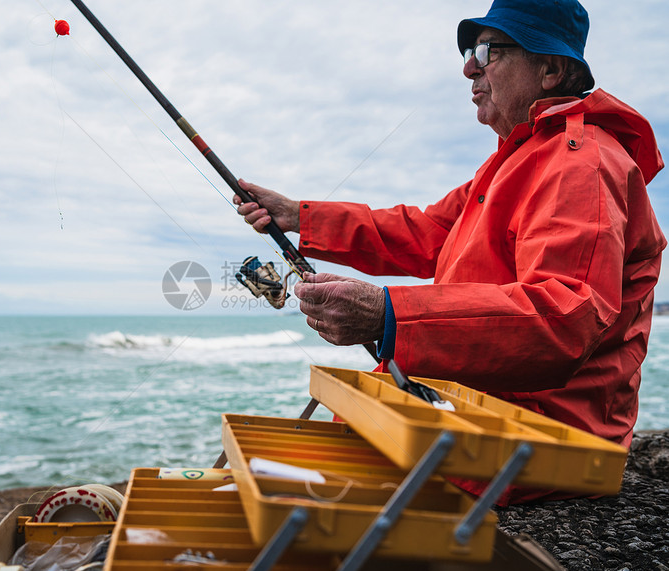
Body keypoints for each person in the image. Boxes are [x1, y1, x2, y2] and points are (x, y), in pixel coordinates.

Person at [234, 0, 665, 504]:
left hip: (543, 433)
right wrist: (300, 217)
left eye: (489, 50)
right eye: (470, 50)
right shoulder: (513, 162)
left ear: (550, 69)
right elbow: (426, 233)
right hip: (483, 408)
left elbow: (563, 316)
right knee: (297, 470)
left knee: (300, 492)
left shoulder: (581, 163)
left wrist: (388, 315)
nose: (469, 67)